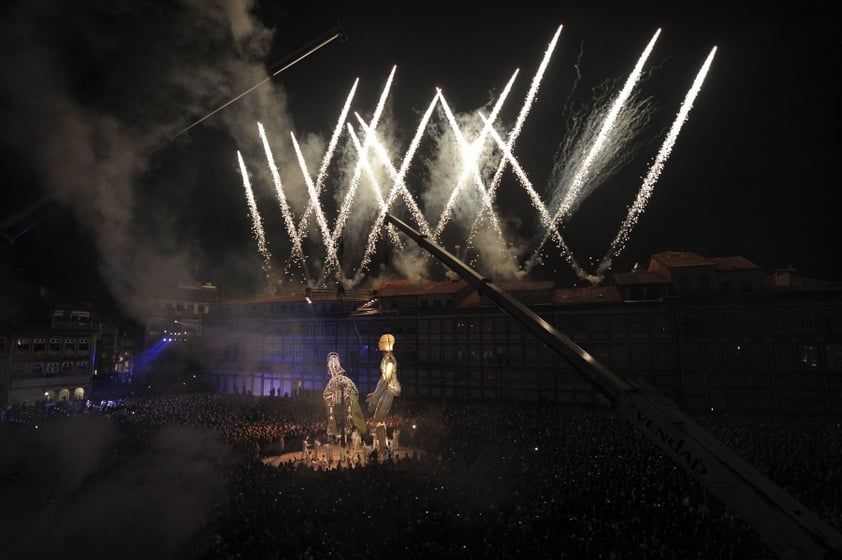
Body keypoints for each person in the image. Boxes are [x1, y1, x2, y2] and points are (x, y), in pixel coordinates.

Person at [367, 332, 401, 453]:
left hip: (389, 391)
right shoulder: (386, 359)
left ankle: (383, 448)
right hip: (385, 391)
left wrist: (376, 396)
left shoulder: (389, 361)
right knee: (378, 420)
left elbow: (386, 380)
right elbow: (382, 379)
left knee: (377, 420)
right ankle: (383, 447)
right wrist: (375, 393)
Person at [322, 352, 367, 438]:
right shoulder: (331, 382)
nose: (333, 366)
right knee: (331, 411)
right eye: (331, 365)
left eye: (334, 363)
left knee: (348, 411)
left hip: (345, 402)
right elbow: (325, 394)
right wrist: (332, 397)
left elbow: (354, 391)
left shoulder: (344, 380)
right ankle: (333, 428)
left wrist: (346, 395)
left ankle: (347, 427)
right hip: (335, 403)